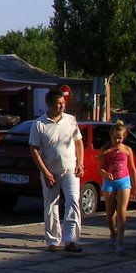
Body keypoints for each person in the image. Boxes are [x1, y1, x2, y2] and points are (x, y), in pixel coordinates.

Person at [29, 88, 84, 253]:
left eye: (63, 103)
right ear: (49, 105)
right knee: (51, 205)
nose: (61, 106)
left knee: (73, 200)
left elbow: (79, 142)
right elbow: (34, 150)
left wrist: (80, 163)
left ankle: (71, 240)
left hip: (70, 169)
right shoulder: (39, 124)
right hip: (50, 172)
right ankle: (53, 240)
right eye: (58, 104)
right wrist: (45, 172)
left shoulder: (70, 120)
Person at [99, 120, 136, 255]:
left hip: (124, 181)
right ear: (111, 136)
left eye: (120, 138)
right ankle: (113, 232)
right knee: (110, 214)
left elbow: (132, 169)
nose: (117, 140)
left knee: (121, 212)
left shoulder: (127, 150)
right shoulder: (105, 150)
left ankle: (120, 243)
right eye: (114, 137)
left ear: (124, 137)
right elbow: (100, 169)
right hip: (109, 182)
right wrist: (105, 173)